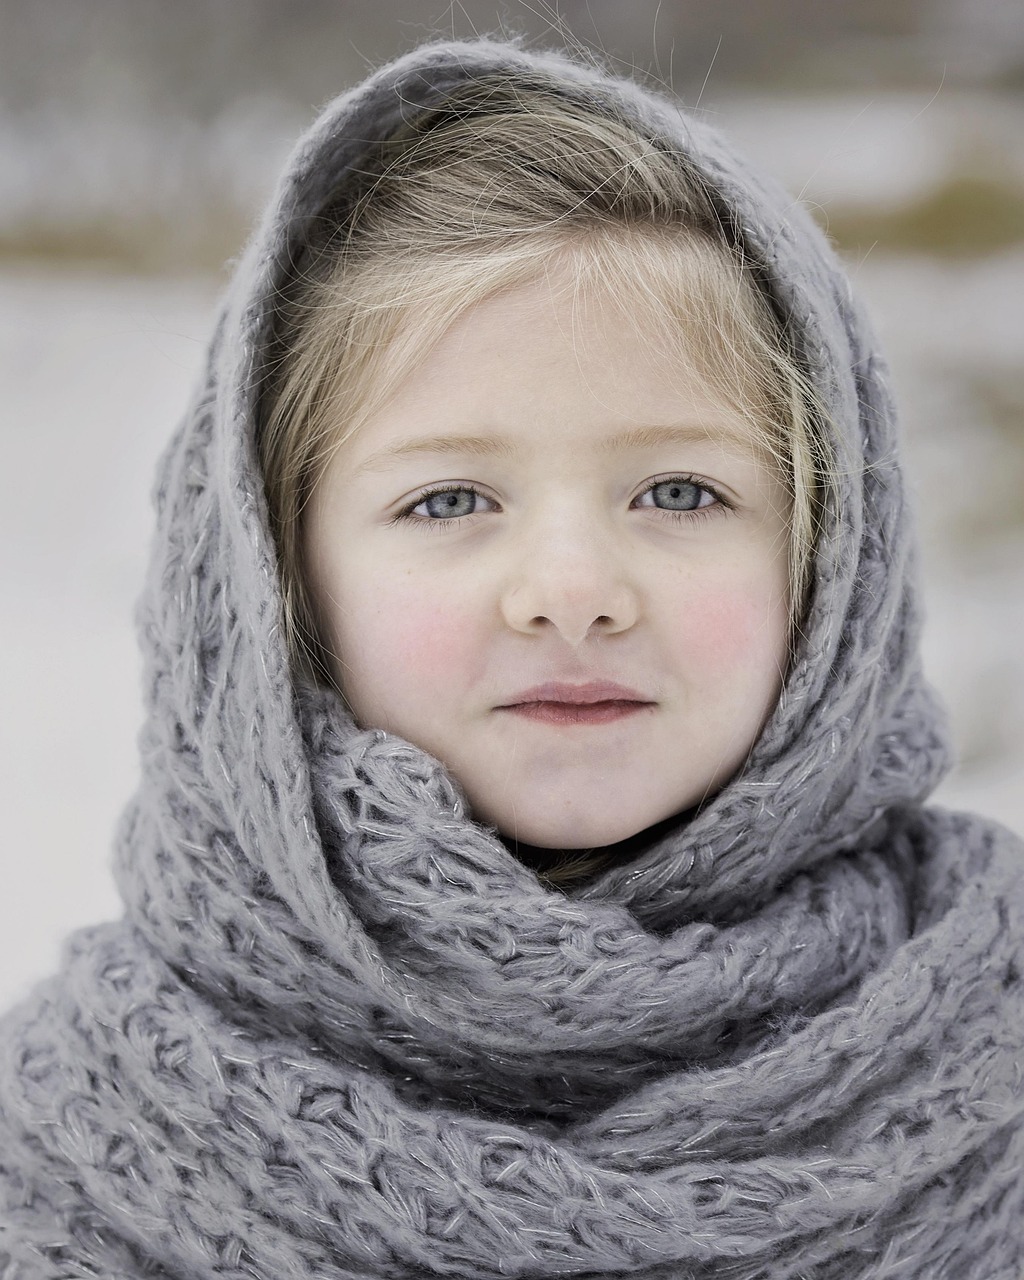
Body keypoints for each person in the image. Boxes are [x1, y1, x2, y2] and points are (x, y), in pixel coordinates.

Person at [1, 37, 1021, 1280]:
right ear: (275, 585)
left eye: (679, 490)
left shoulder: (993, 1061)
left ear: (832, 559)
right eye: (448, 500)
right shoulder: (66, 1163)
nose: (572, 592)